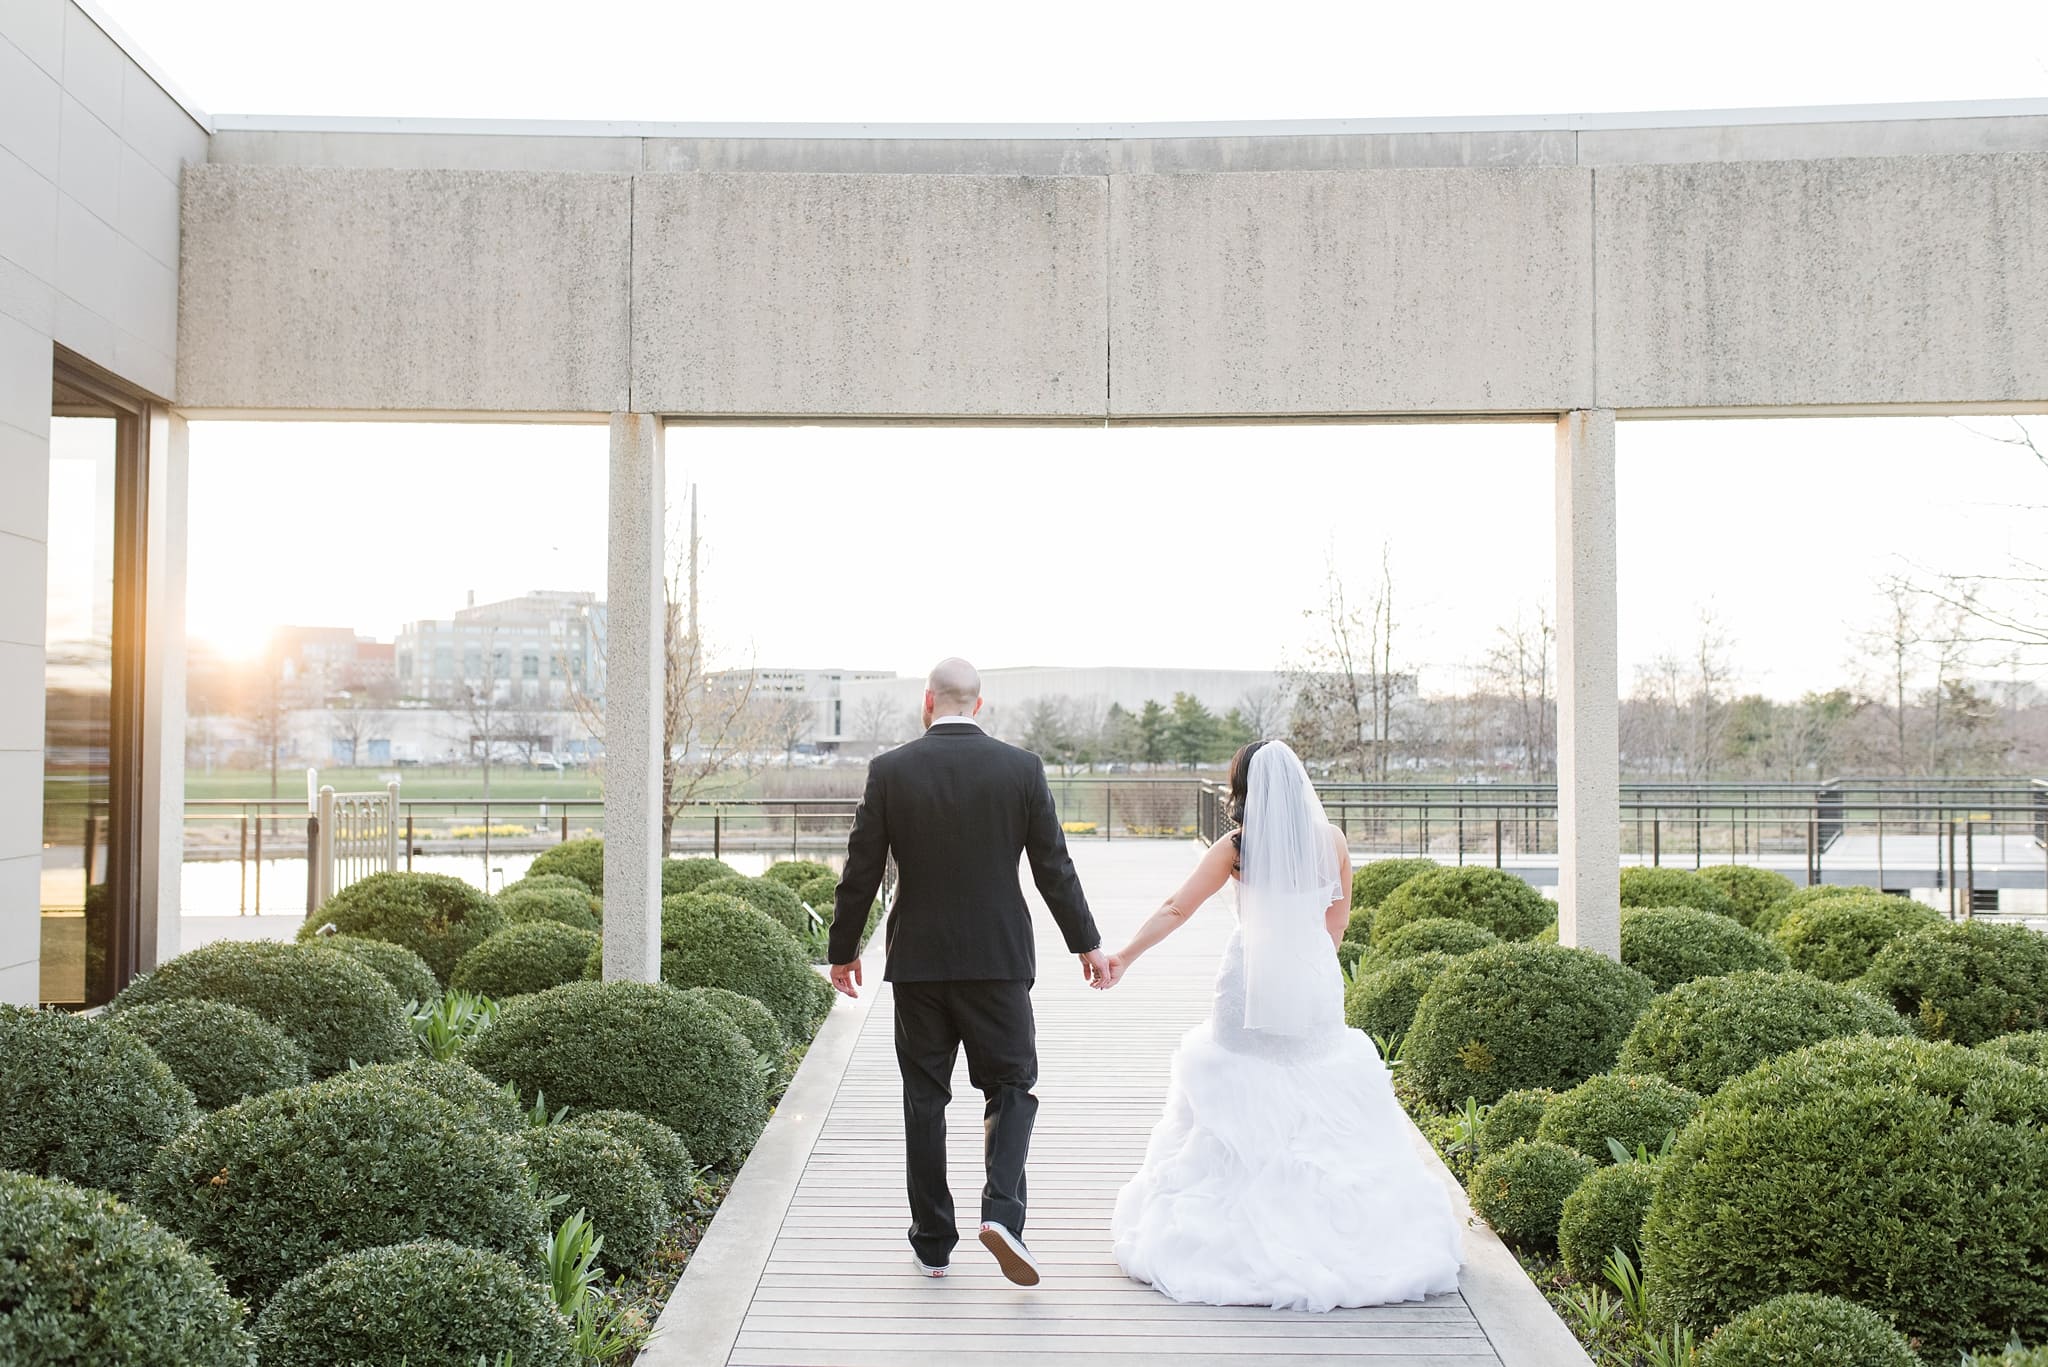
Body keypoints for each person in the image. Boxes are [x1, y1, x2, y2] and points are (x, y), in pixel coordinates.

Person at [1104, 739, 1464, 1311]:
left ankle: (1238, 1221)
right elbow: (1337, 925)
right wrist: (1309, 970)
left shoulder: (1238, 847)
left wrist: (1124, 955)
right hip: (1312, 980)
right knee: (1316, 1083)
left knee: (1241, 1081)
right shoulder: (1333, 842)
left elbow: (1178, 907)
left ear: (1244, 790)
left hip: (1249, 985)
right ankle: (1333, 1232)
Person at [828, 656, 1110, 1286]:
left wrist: (843, 951)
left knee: (924, 1100)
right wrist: (1085, 943)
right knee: (1011, 1087)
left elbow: (862, 870)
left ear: (929, 701)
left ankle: (932, 1242)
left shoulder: (890, 771)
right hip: (998, 961)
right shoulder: (1020, 769)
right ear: (977, 705)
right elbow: (1052, 868)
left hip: (919, 965)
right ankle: (1002, 1213)